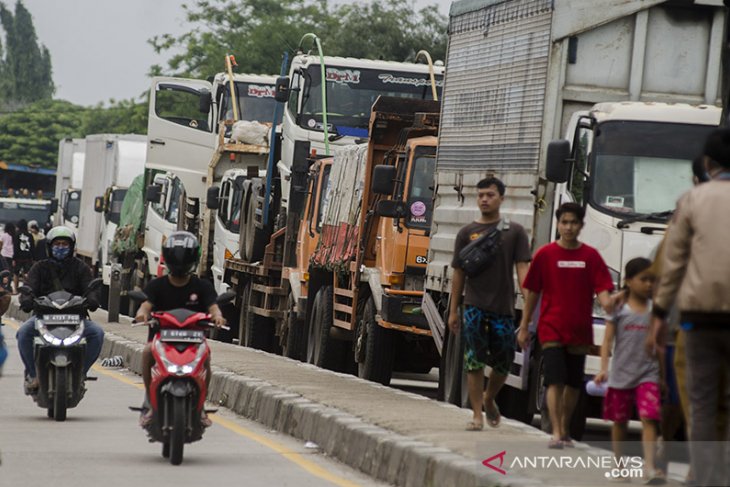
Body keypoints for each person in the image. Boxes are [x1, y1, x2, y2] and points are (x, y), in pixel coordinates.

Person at [650, 128, 730, 487]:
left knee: (700, 401)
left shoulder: (693, 200)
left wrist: (659, 313)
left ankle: (704, 478)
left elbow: (673, 264)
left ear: (709, 163)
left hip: (699, 319)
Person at [518, 202, 614, 449]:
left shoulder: (591, 257)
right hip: (551, 328)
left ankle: (564, 424)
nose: (569, 227)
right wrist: (524, 324)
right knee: (554, 380)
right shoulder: (544, 255)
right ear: (558, 224)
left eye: (574, 223)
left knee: (573, 384)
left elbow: (603, 291)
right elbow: (533, 293)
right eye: (564, 222)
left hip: (580, 331)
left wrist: (613, 305)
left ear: (581, 226)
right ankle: (558, 431)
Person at [448, 177, 531, 430]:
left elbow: (523, 270)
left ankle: (489, 397)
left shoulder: (514, 232)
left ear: (501, 198)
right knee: (473, 360)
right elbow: (459, 273)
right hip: (473, 307)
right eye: (481, 194)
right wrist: (454, 310)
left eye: (490, 195)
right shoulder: (465, 233)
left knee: (504, 360)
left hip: (503, 309)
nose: (484, 199)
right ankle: (476, 414)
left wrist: (529, 306)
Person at [134, 231, 225, 427]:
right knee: (147, 352)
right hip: (162, 340)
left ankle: (200, 406)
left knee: (206, 357)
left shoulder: (202, 286)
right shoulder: (157, 285)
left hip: (194, 341)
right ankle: (150, 401)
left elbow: (213, 306)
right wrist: (142, 314)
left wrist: (217, 317)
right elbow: (146, 305)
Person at [594, 258, 665, 484]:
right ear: (628, 281)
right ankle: (619, 464)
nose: (648, 285)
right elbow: (607, 340)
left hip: (648, 373)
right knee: (620, 422)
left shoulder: (655, 310)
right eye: (643, 279)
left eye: (651, 280)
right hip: (621, 373)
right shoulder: (618, 308)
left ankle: (650, 466)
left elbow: (660, 343)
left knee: (649, 417)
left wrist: (662, 375)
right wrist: (604, 368)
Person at [16, 226, 104, 392]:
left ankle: (81, 374)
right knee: (23, 334)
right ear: (50, 246)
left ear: (71, 247)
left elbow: (91, 288)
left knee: (97, 334)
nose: (61, 247)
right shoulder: (39, 268)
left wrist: (92, 300)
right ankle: (34, 375)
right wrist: (27, 300)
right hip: (43, 318)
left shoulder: (81, 267)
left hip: (75, 319)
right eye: (57, 244)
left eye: (65, 244)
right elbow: (29, 287)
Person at [13, 219, 35, 290]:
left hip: (18, 257)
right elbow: (32, 247)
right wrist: (33, 257)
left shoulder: (16, 234)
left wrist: (13, 258)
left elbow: (15, 247)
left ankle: (15, 289)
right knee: (27, 273)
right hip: (27, 257)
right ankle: (26, 289)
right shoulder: (30, 235)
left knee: (16, 274)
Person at [0, 223, 15, 289]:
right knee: (9, 271)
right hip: (11, 255)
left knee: (3, 270)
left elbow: (1, 243)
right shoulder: (14, 236)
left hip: (4, 254)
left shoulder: (3, 235)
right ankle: (8, 286)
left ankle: (3, 285)